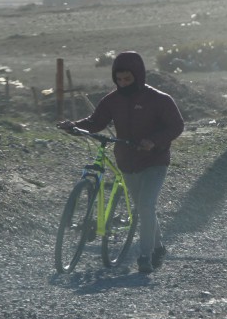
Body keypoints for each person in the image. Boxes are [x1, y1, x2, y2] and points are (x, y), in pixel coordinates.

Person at [58, 51, 184, 273]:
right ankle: (159, 247)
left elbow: (176, 126)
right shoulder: (112, 100)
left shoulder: (159, 99)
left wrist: (154, 142)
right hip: (127, 162)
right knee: (144, 208)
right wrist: (74, 127)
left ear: (138, 76)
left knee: (145, 206)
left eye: (128, 79)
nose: (123, 83)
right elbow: (95, 122)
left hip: (155, 161)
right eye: (119, 79)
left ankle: (145, 256)